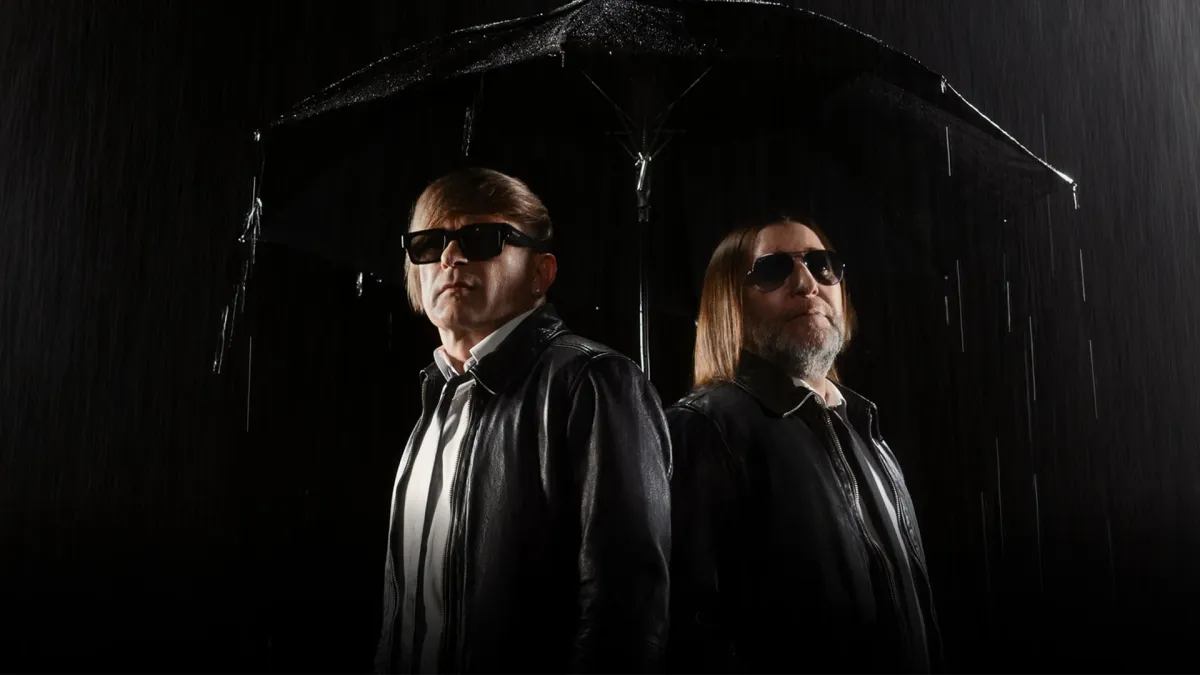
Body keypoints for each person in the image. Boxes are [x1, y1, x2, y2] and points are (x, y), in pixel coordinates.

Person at [373, 167, 671, 674]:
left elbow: (625, 611)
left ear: (541, 273)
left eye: (481, 238)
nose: (450, 257)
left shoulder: (593, 382)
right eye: (428, 244)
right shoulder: (437, 397)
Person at [666, 213, 940, 673]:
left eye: (822, 265)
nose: (807, 283)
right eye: (774, 269)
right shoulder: (703, 429)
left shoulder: (862, 424)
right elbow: (690, 633)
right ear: (730, 303)